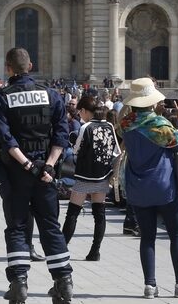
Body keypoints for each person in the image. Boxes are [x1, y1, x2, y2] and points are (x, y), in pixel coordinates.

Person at [0, 48, 73, 304]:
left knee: (17, 226)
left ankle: (19, 282)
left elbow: (6, 139)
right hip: (45, 174)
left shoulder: (3, 97)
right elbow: (61, 134)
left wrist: (27, 164)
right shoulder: (51, 95)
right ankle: (63, 281)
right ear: (31, 65)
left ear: (8, 68)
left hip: (18, 171)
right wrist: (48, 165)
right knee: (50, 226)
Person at [118, 77, 178, 299]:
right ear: (153, 102)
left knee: (147, 238)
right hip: (164, 187)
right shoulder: (160, 125)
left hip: (137, 187)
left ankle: (150, 286)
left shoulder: (125, 124)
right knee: (176, 235)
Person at [62, 95, 119, 261]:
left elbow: (76, 150)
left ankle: (62, 248)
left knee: (73, 212)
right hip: (102, 175)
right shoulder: (109, 125)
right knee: (99, 213)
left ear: (85, 111)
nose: (80, 115)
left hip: (85, 175)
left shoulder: (85, 127)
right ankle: (95, 251)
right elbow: (116, 151)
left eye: (80, 112)